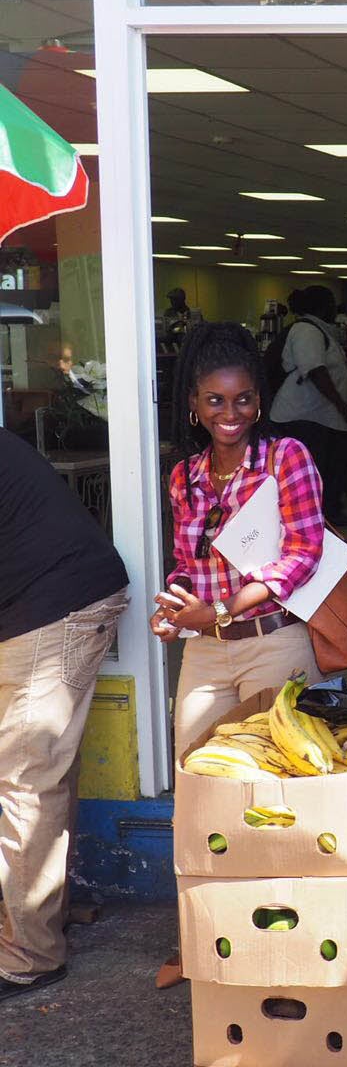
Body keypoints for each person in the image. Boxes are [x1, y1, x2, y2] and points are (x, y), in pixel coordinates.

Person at [152, 321, 326, 757]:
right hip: (207, 652)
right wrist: (174, 607)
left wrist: (222, 609)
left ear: (259, 401)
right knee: (194, 766)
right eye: (215, 400)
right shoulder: (184, 476)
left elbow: (303, 553)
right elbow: (185, 562)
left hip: (274, 643)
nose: (230, 414)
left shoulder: (285, 457)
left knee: (275, 779)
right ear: (194, 403)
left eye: (243, 400)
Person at [0, 428, 129, 1002]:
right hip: (39, 603)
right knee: (39, 772)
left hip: (57, 607)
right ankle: (38, 917)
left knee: (27, 778)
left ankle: (30, 954)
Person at [269, 285, 347, 526]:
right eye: (330, 304)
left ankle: (328, 512)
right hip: (303, 417)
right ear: (321, 307)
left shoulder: (319, 330)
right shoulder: (307, 330)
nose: (333, 310)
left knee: (333, 463)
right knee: (318, 468)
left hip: (318, 415)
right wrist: (341, 405)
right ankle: (318, 516)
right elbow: (315, 370)